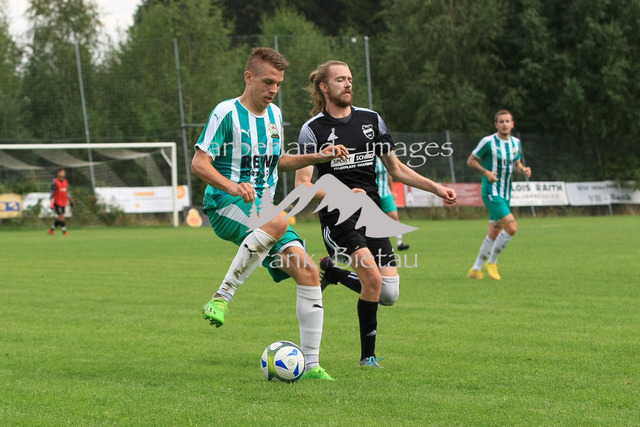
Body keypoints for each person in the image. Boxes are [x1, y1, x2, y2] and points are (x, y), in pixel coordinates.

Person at [191, 48, 349, 381]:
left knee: (308, 271)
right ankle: (221, 297)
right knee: (279, 219)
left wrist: (318, 156)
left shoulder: (274, 115)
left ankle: (311, 365)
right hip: (224, 204)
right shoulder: (226, 113)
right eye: (267, 82)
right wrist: (233, 186)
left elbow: (277, 161)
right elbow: (199, 163)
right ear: (248, 77)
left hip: (264, 211)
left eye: (278, 83)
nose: (274, 89)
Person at [295, 60, 457, 368]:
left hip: (371, 214)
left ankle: (333, 272)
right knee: (371, 278)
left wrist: (436, 188)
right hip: (338, 217)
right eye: (340, 79)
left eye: (350, 79)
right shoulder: (312, 130)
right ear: (324, 87)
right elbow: (303, 186)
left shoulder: (371, 120)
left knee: (389, 294)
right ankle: (367, 358)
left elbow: (396, 169)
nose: (348, 84)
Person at [466, 110, 532, 280]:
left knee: (494, 232)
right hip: (491, 191)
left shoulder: (516, 143)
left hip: (506, 192)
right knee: (511, 228)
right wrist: (486, 172)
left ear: (512, 124)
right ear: (496, 124)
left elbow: (516, 163)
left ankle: (475, 269)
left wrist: (523, 170)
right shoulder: (488, 142)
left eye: (507, 121)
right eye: (501, 121)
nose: (504, 124)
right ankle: (492, 263)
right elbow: (471, 161)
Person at [376, 156, 409, 251]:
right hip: (374, 194)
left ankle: (399, 243)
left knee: (394, 217)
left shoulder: (385, 157)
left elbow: (390, 174)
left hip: (386, 193)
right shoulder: (370, 159)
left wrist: (393, 190)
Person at [48, 168, 74, 236]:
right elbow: (52, 192)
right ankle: (64, 232)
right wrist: (51, 201)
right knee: (62, 216)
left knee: (60, 217)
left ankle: (51, 230)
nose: (62, 173)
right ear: (58, 173)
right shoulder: (55, 181)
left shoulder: (65, 181)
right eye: (61, 172)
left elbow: (66, 191)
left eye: (63, 172)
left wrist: (70, 199)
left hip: (63, 202)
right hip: (57, 202)